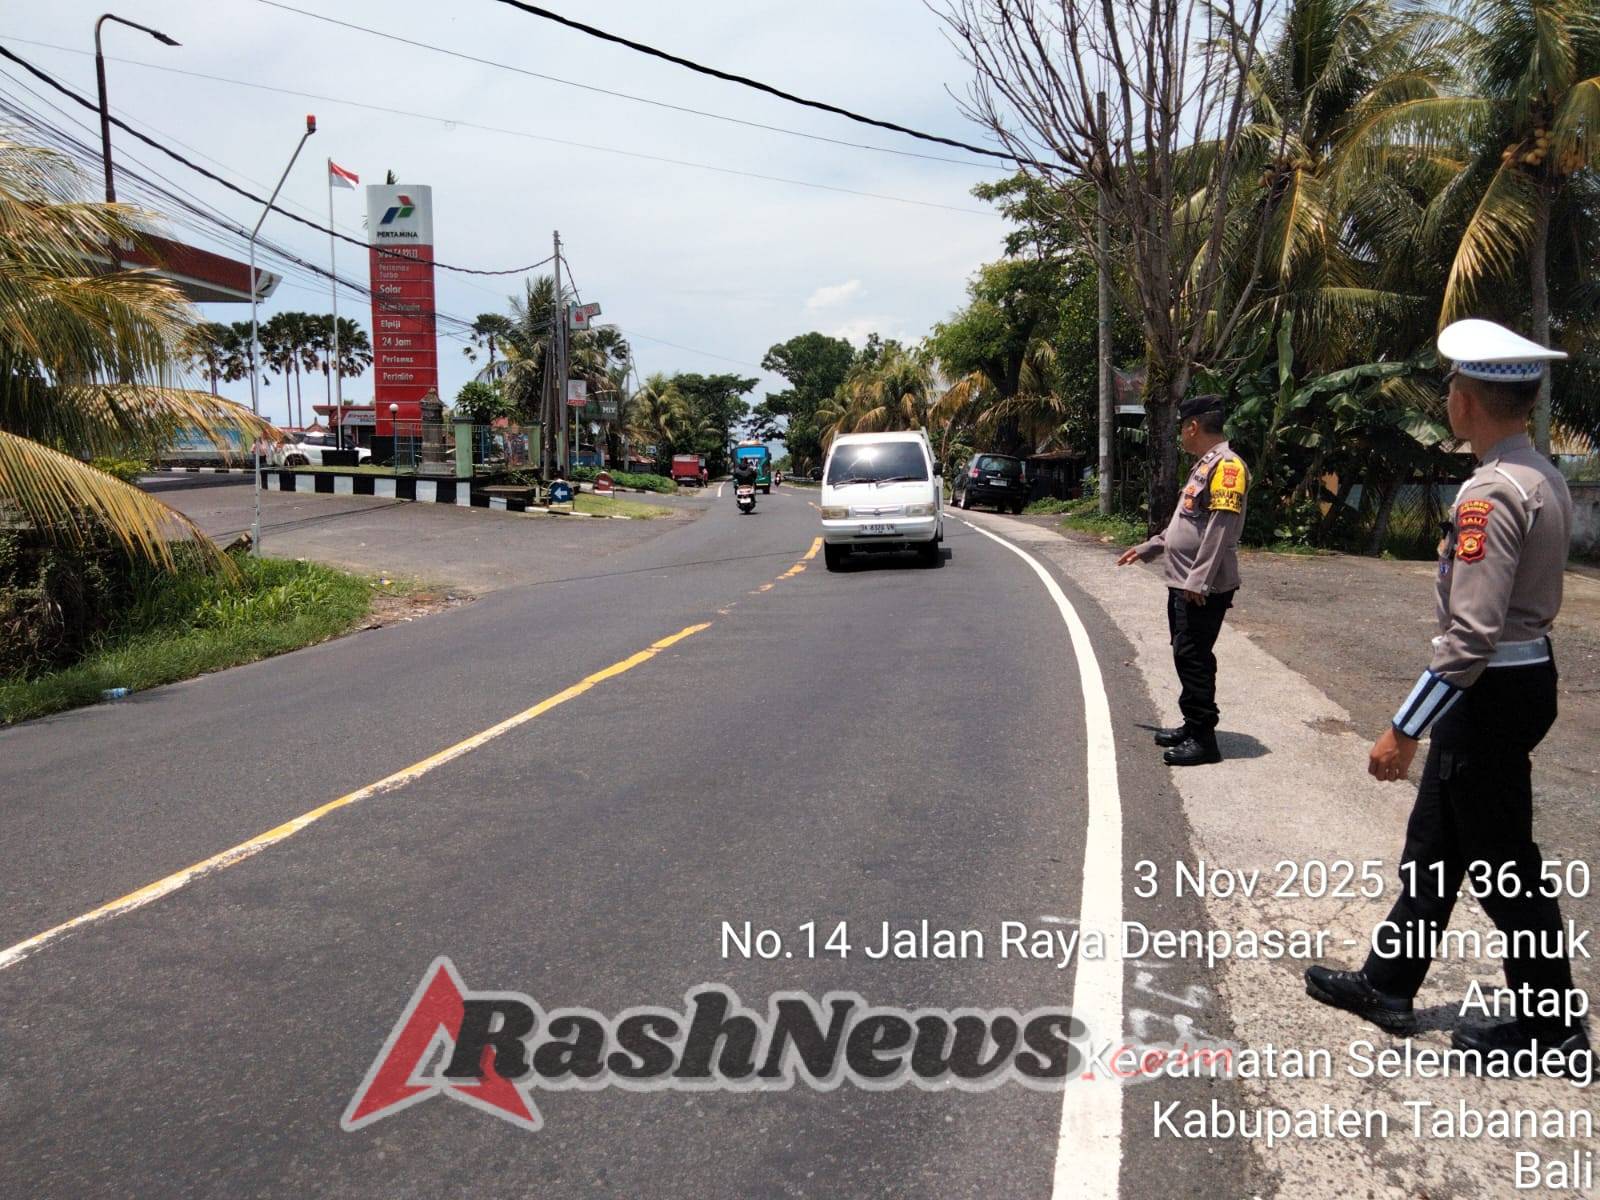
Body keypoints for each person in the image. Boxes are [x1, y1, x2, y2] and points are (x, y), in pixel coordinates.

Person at [1303, 318, 1589, 1076]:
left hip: (1489, 691)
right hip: (1517, 683)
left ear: (1466, 400)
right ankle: (1387, 984)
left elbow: (1471, 637)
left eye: (1453, 387)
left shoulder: (1490, 493)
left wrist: (1403, 729)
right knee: (1434, 848)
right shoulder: (1544, 476)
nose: (1449, 398)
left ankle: (1554, 1027)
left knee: (1505, 871)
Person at [1115, 394, 1249, 766]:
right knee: (1184, 652)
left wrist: (1198, 580)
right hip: (1186, 583)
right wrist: (1148, 548)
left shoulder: (1227, 467)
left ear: (1193, 426)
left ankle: (1205, 741)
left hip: (1201, 588)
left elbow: (1220, 529)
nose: (1181, 435)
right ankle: (1193, 724)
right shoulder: (1204, 466)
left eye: (1181, 427)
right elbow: (1184, 525)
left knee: (1194, 658)